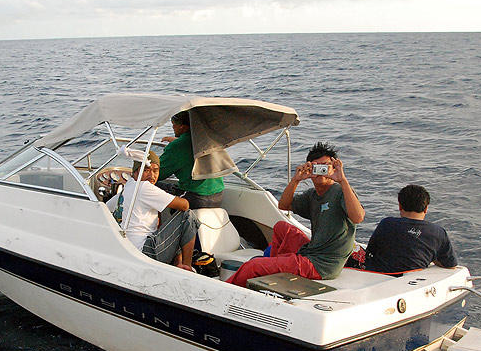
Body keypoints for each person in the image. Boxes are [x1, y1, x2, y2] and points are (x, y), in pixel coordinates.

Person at [227, 142, 365, 287]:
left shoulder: (341, 192)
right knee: (282, 227)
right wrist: (296, 180)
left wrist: (343, 180)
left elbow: (358, 217)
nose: (320, 171)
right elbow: (283, 205)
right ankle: (275, 273)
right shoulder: (312, 195)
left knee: (253, 265)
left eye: (325, 166)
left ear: (334, 167)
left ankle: (230, 288)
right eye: (315, 167)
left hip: (322, 265)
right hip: (311, 251)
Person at [107, 150, 199, 271]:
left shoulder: (127, 188)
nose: (152, 175)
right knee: (187, 216)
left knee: (168, 219)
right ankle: (187, 268)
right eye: (146, 170)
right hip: (145, 252)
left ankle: (178, 264)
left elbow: (107, 207)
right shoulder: (144, 187)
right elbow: (185, 205)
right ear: (135, 173)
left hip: (129, 250)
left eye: (155, 171)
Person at [363, 184, 458, 274]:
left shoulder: (387, 223)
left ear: (400, 206)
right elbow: (450, 265)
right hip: (414, 278)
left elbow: (370, 251)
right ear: (426, 209)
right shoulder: (438, 232)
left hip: (380, 274)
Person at [157, 111, 224, 209]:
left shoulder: (178, 146)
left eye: (173, 123)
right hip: (217, 196)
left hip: (194, 198)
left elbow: (158, 173)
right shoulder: (207, 140)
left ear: (182, 126)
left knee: (146, 186)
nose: (173, 127)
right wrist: (178, 141)